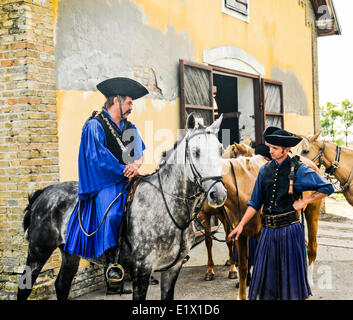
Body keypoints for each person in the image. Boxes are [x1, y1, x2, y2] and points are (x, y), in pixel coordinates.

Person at [227, 127, 334, 300]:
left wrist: (305, 201)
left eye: (275, 148)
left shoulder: (299, 169)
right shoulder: (264, 170)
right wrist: (240, 225)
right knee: (266, 281)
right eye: (270, 147)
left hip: (290, 232)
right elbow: (255, 202)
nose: (270, 151)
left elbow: (327, 187)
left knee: (290, 283)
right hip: (268, 232)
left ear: (285, 150)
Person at [64, 77, 149, 294]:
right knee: (112, 215)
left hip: (129, 178)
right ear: (116, 101)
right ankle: (112, 271)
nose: (131, 107)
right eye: (129, 103)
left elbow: (138, 154)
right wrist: (123, 169)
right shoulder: (95, 125)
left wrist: (135, 164)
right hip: (105, 180)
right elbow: (97, 158)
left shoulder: (130, 127)